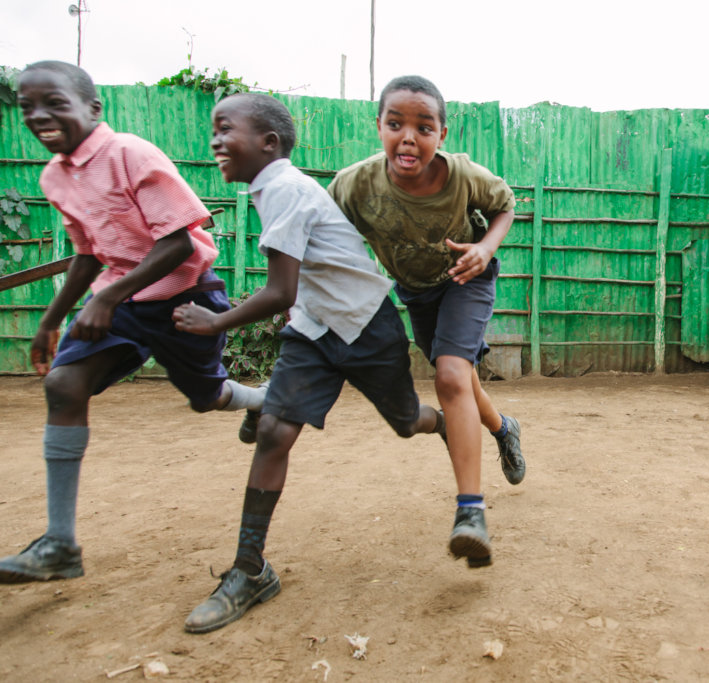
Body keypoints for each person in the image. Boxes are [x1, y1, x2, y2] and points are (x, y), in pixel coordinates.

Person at [172, 93, 447, 633]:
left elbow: (278, 291)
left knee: (407, 421)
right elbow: (292, 295)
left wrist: (214, 322)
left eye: (226, 129)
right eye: (214, 129)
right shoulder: (267, 189)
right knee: (276, 431)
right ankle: (250, 570)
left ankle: (442, 423)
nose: (215, 141)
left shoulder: (288, 190)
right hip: (313, 329)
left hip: (367, 324)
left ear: (268, 143)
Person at [0, 61, 266, 584]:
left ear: (93, 109)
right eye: (27, 106)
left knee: (205, 397)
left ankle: (259, 399)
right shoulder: (54, 177)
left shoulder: (130, 154)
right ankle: (59, 543)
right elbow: (86, 254)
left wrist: (109, 297)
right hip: (122, 303)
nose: (38, 115)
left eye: (54, 102)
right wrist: (51, 320)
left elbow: (179, 242)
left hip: (184, 296)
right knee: (64, 383)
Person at [327, 75, 525, 570]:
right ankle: (504, 429)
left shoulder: (463, 176)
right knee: (460, 376)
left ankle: (471, 513)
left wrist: (485, 247)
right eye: (395, 124)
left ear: (442, 134)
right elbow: (327, 236)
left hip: (465, 278)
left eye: (423, 126)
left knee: (450, 376)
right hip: (415, 290)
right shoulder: (354, 185)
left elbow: (505, 206)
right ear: (379, 126)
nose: (408, 137)